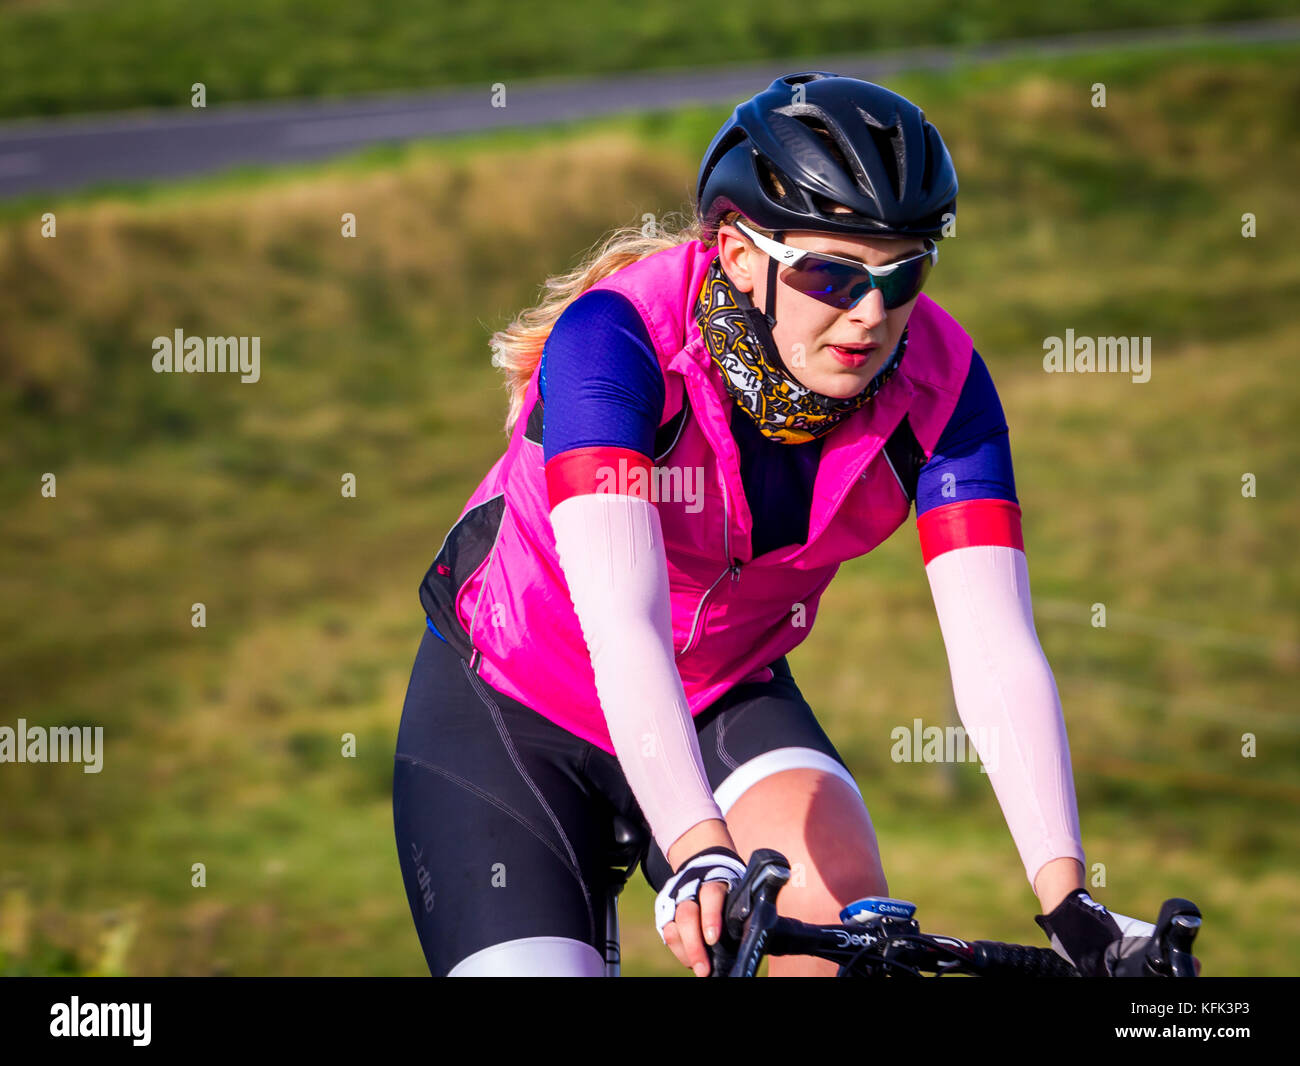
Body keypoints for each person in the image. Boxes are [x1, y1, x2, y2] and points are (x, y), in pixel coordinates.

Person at [392, 71, 1158, 977]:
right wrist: (695, 844)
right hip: (515, 704)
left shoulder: (943, 385)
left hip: (725, 692)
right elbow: (623, 625)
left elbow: (995, 649)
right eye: (833, 273)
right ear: (740, 252)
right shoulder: (620, 339)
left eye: (902, 273)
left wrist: (1067, 900)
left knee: (842, 936)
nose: (870, 315)